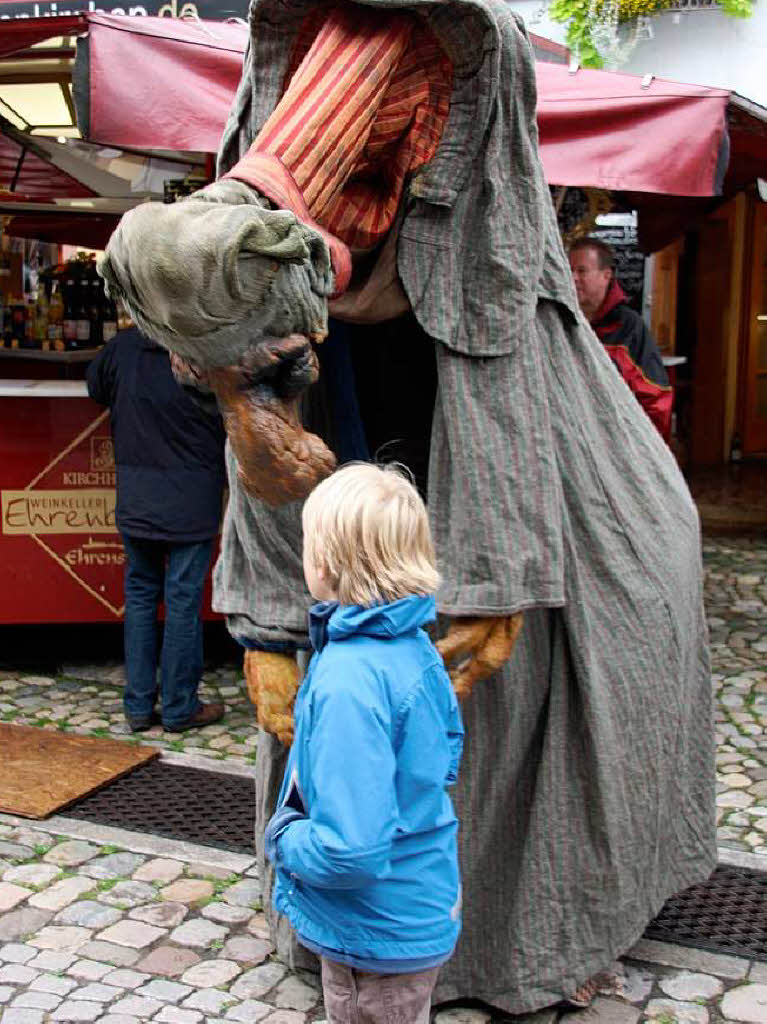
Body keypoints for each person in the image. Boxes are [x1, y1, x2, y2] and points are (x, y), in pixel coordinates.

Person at [99, 1, 715, 1015]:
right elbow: (252, 349)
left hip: (443, 339)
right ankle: (351, 922)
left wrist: (502, 573)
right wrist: (264, 619)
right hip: (338, 380)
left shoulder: (448, 64)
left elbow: (488, 341)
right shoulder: (309, 100)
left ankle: (525, 929)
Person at [264, 462, 464, 1024]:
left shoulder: (350, 681)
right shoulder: (414, 645)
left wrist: (284, 838)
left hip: (374, 933)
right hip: (415, 900)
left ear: (324, 563)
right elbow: (447, 749)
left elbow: (349, 851)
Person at [87, 326, 227, 733]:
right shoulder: (205, 345)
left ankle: (137, 706)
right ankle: (181, 707)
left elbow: (95, 386)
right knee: (183, 600)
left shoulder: (124, 347)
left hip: (138, 498)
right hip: (192, 497)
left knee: (142, 596)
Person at [568, 236, 673, 439]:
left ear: (606, 275)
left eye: (581, 271)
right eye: (569, 270)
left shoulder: (629, 327)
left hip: (617, 444)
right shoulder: (560, 322)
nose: (573, 278)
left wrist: (647, 453)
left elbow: (656, 397)